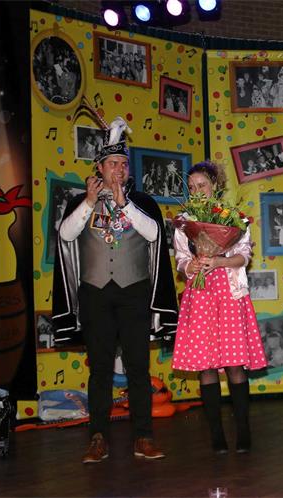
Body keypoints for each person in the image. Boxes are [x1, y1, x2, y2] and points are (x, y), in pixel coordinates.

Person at [52, 117, 178, 464]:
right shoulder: (81, 202)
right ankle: (98, 438)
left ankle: (144, 437)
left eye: (123, 164)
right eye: (112, 164)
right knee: (100, 370)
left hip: (134, 293)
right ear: (100, 168)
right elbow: (65, 235)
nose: (119, 170)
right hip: (95, 294)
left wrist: (125, 205)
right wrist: (89, 203)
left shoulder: (143, 202)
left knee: (138, 368)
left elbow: (154, 234)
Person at [171, 161, 267, 454]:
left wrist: (218, 261)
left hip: (229, 292)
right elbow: (181, 260)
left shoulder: (233, 217)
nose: (197, 191)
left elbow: (244, 257)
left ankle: (243, 431)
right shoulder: (184, 222)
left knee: (235, 364)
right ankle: (216, 435)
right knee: (206, 366)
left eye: (202, 185)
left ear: (215, 185)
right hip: (200, 294)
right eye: (192, 187)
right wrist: (191, 265)